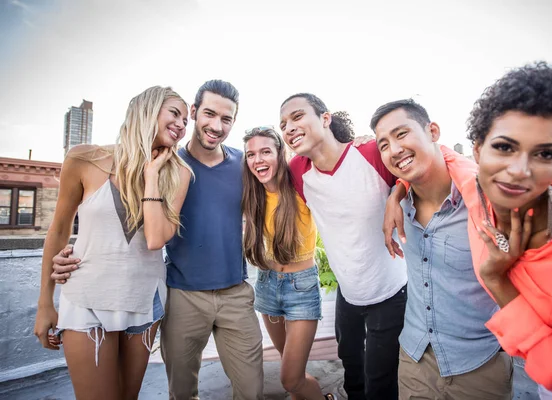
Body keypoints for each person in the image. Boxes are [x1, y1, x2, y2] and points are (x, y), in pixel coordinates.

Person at [50, 80, 265, 400]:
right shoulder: (169, 165)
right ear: (195, 113)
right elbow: (87, 224)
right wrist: (61, 268)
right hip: (180, 296)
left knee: (251, 391)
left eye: (227, 119)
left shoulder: (237, 165)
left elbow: (280, 189)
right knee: (181, 392)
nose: (216, 125)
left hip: (232, 292)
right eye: (208, 114)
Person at [446, 63, 552, 400]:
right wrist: (396, 193)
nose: (518, 171)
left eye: (545, 154)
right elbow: (441, 156)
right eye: (504, 147)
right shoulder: (476, 191)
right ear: (477, 149)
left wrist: (498, 282)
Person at [33, 86, 192, 399]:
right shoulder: (83, 159)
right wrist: (45, 303)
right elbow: (59, 229)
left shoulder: (178, 174)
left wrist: (151, 175)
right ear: (147, 110)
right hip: (85, 297)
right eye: (175, 113)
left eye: (186, 119)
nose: (182, 124)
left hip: (144, 301)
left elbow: (155, 239)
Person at [371, 99, 512, 399]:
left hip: (479, 366)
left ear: (433, 131)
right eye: (383, 144)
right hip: (414, 360)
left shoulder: (486, 203)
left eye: (401, 134)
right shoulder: (401, 203)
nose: (394, 149)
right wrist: (395, 195)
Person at [280, 93, 408, 400]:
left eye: (297, 117)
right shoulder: (298, 170)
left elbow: (417, 168)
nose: (289, 128)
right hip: (348, 294)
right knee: (351, 371)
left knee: (380, 381)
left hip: (390, 292)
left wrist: (396, 194)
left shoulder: (369, 153)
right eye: (283, 123)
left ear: (325, 118)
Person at [242, 126, 336, 400]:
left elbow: (329, 157)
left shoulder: (301, 184)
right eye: (251, 155)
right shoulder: (253, 194)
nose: (258, 160)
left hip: (302, 287)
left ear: (280, 153)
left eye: (265, 152)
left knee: (290, 378)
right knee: (291, 371)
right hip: (268, 285)